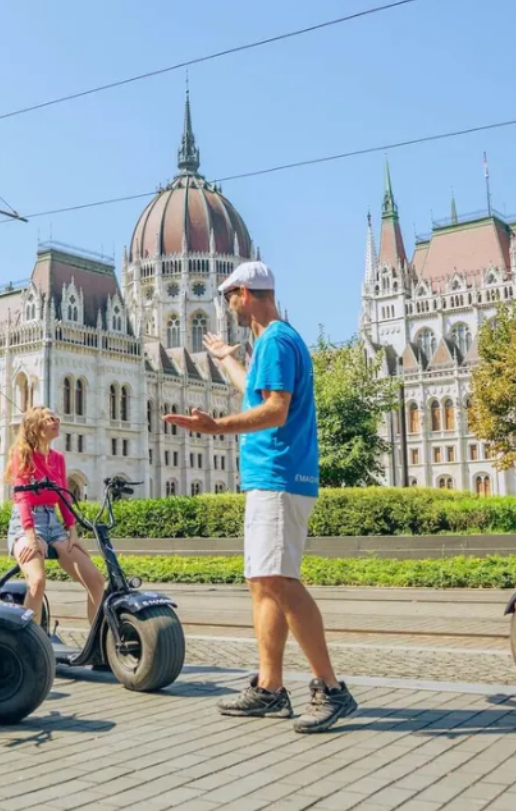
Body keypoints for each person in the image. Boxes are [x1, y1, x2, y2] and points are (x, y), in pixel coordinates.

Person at [164, 261, 358, 733]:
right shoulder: (276, 341)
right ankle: (270, 688)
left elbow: (274, 410)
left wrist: (216, 427)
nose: (228, 304)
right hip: (271, 476)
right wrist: (226, 359)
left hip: (278, 475)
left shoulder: (274, 339)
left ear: (247, 293)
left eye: (230, 294)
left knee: (281, 580)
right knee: (264, 582)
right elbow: (256, 393)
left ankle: (331, 688)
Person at [5, 407, 105, 628]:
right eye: (50, 419)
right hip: (26, 523)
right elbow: (22, 498)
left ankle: (98, 644)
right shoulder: (22, 455)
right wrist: (30, 536)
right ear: (36, 427)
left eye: (56, 418)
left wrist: (73, 532)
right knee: (37, 582)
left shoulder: (58, 458)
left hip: (54, 523)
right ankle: (30, 644)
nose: (57, 421)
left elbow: (63, 498)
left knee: (96, 581)